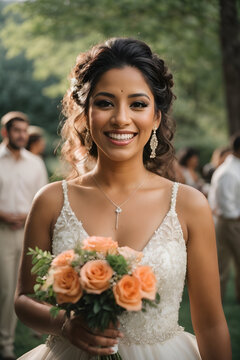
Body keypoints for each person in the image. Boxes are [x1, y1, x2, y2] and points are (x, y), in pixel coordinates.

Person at [15, 38, 231, 360]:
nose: (121, 118)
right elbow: (25, 299)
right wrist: (65, 323)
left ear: (156, 117)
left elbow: (211, 324)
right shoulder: (51, 201)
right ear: (85, 114)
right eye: (104, 103)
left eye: (138, 104)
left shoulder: (189, 204)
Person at [0, 111, 48, 360]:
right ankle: (6, 347)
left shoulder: (35, 163)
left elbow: (41, 198)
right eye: (17, 130)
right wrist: (3, 215)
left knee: (34, 287)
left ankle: (41, 334)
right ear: (5, 132)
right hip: (3, 233)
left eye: (24, 131)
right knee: (7, 290)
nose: (22, 135)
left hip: (30, 233)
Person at [208, 133, 240, 302]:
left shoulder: (234, 168)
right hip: (230, 223)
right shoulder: (228, 172)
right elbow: (227, 206)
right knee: (223, 265)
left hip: (232, 222)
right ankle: (216, 300)